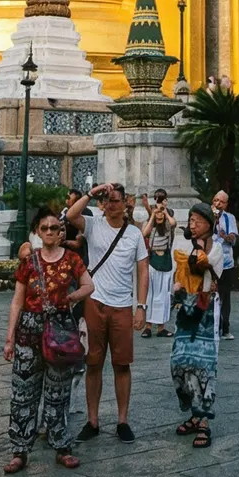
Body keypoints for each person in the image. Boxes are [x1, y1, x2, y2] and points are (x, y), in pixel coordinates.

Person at [3, 204, 92, 473]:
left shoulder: (72, 259)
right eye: (45, 228)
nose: (51, 231)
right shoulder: (29, 262)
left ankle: (61, 445)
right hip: (29, 330)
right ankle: (20, 449)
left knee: (58, 392)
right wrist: (9, 338)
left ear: (61, 230)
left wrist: (72, 298)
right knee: (23, 393)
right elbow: (17, 301)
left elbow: (90, 285)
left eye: (55, 227)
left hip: (60, 329)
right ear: (37, 232)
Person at [64, 181, 150, 441]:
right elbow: (70, 215)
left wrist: (141, 307)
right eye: (107, 200)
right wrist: (92, 192)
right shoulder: (94, 225)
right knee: (93, 364)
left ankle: (122, 420)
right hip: (95, 302)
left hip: (122, 306)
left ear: (125, 204)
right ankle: (93, 420)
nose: (110, 205)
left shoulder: (134, 234)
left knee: (122, 365)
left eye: (115, 200)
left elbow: (143, 270)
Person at [170, 204, 223, 447]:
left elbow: (216, 275)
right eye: (191, 220)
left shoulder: (217, 249)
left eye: (198, 221)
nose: (192, 225)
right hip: (186, 310)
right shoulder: (182, 245)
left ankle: (203, 421)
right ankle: (194, 411)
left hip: (207, 311)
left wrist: (204, 262)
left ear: (209, 225)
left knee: (204, 365)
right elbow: (178, 274)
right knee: (180, 363)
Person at [143, 192, 176, 335]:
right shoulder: (152, 228)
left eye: (161, 215)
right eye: (158, 215)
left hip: (166, 261)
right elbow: (144, 233)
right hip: (154, 262)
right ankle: (148, 326)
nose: (160, 216)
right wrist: (153, 215)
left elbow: (173, 223)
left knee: (164, 295)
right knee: (151, 294)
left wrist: (164, 210)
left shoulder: (168, 227)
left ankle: (161, 327)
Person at [211, 190, 238, 337]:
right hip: (210, 262)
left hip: (226, 262)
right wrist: (213, 220)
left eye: (221, 202)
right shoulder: (208, 217)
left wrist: (225, 236)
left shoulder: (230, 218)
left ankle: (225, 325)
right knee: (210, 293)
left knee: (224, 295)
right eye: (216, 200)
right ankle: (212, 324)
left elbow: (233, 239)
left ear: (226, 204)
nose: (218, 204)